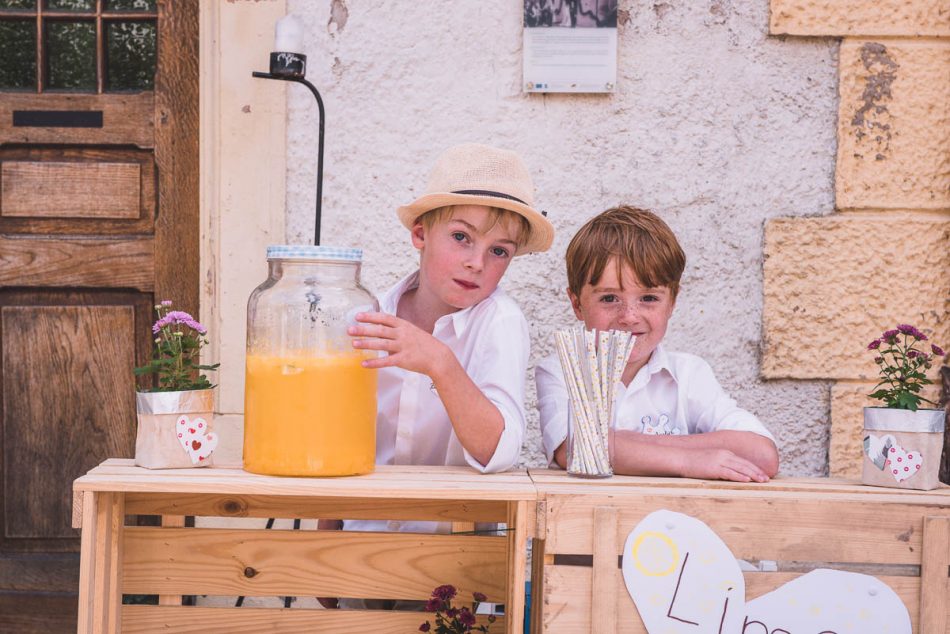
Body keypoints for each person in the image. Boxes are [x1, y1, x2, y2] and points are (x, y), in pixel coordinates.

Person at [316, 143, 554, 609]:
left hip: (453, 569)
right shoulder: (371, 315)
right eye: (462, 237)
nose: (476, 262)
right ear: (421, 234)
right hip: (361, 556)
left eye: (499, 251)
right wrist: (325, 542)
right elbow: (341, 438)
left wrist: (440, 363)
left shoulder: (499, 322)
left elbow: (498, 450)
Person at [535, 206, 779, 482]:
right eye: (609, 299)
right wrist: (689, 460)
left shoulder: (689, 373)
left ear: (672, 302)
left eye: (649, 298)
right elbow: (575, 449)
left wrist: (618, 444)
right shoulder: (562, 370)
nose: (629, 316)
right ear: (577, 304)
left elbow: (762, 455)